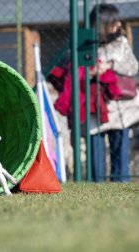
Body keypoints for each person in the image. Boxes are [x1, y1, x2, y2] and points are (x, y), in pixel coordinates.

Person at [53, 3, 139, 182]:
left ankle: (120, 182)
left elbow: (133, 67)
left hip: (119, 108)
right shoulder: (82, 43)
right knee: (95, 158)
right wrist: (88, 71)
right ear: (102, 23)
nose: (118, 25)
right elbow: (68, 70)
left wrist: (111, 66)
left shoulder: (120, 42)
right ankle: (96, 183)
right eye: (113, 21)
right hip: (92, 108)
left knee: (120, 153)